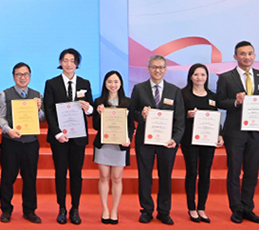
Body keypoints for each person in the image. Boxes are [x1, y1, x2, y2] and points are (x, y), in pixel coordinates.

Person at [215, 41, 259, 224]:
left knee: (252, 172)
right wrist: (235, 102)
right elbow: (219, 102)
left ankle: (248, 208)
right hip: (235, 132)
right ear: (235, 57)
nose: (246, 57)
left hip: (256, 132)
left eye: (250, 53)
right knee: (233, 171)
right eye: (242, 54)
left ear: (254, 56)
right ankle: (236, 209)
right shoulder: (226, 77)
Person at [129, 55, 185, 225]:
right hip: (145, 141)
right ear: (148, 69)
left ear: (166, 69)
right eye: (154, 67)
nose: (157, 70)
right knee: (144, 175)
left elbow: (180, 119)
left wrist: (175, 139)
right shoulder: (139, 88)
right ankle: (146, 210)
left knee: (165, 176)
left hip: (167, 142)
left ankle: (164, 211)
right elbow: (132, 113)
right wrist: (142, 115)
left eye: (161, 67)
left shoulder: (175, 91)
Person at [43, 48, 93, 225]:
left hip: (78, 137)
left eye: (72, 61)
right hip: (59, 138)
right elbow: (49, 109)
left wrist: (89, 109)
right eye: (65, 60)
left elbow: (91, 108)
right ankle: (62, 208)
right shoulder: (52, 83)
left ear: (77, 63)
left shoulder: (85, 83)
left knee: (76, 174)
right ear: (60, 62)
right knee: (60, 173)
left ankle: (75, 208)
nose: (69, 64)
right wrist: (57, 133)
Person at [0, 63, 44, 224]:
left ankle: (29, 211)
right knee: (8, 177)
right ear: (13, 76)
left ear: (30, 76)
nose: (22, 77)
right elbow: (0, 116)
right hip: (11, 142)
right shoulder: (4, 94)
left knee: (30, 178)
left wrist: (38, 109)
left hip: (30, 143)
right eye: (19, 74)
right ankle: (6, 210)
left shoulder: (37, 95)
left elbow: (42, 118)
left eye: (25, 74)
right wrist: (7, 129)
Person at [180, 64, 224, 223]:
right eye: (196, 74)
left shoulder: (212, 97)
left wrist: (220, 134)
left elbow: (216, 118)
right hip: (189, 140)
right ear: (190, 76)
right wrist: (187, 115)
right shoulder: (183, 94)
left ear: (207, 77)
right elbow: (177, 117)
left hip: (208, 140)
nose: (199, 77)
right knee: (192, 172)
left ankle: (202, 207)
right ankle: (191, 207)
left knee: (205, 173)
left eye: (203, 75)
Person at [91, 71, 133, 224]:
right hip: (104, 145)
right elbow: (96, 126)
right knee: (103, 177)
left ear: (120, 83)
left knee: (116, 178)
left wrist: (128, 139)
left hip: (120, 145)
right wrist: (99, 113)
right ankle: (105, 209)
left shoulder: (128, 102)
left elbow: (130, 126)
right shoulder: (99, 101)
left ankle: (114, 209)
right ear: (105, 84)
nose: (113, 85)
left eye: (116, 81)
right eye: (110, 82)